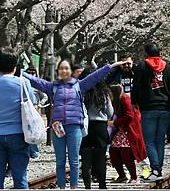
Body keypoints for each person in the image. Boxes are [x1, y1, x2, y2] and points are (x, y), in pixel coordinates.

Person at [23, 58, 125, 189]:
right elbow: (35, 81)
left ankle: (74, 187)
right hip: (57, 128)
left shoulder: (79, 85)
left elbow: (96, 76)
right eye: (61, 68)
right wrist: (19, 72)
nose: (64, 70)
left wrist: (111, 66)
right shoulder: (52, 87)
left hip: (74, 127)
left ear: (70, 71)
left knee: (74, 161)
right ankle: (62, 187)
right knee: (60, 161)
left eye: (66, 68)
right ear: (58, 71)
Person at [0, 49, 36, 188]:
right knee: (20, 177)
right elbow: (32, 103)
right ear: (16, 65)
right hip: (18, 133)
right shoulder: (23, 83)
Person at [131, 43, 170, 181]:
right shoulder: (168, 68)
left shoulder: (141, 67)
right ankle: (158, 169)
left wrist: (134, 102)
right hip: (166, 109)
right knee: (159, 140)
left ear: (146, 53)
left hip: (148, 108)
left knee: (149, 141)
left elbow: (136, 86)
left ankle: (156, 170)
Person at [80, 73, 113, 189]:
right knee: (100, 158)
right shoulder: (104, 93)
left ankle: (87, 187)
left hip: (85, 126)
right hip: (100, 127)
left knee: (85, 160)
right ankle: (102, 186)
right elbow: (110, 112)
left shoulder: (81, 92)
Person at [109, 84, 147, 184]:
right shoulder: (117, 100)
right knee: (113, 152)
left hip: (129, 130)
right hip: (121, 131)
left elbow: (129, 115)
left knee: (126, 154)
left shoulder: (125, 99)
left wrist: (115, 123)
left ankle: (134, 177)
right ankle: (122, 176)